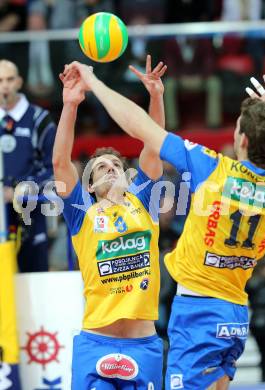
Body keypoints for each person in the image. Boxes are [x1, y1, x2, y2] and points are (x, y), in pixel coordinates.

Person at [61, 62, 265, 389]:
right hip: (235, 311)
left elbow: (139, 126)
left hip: (199, 312)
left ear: (243, 140)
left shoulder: (214, 169)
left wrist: (94, 81)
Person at [53, 56, 167, 389]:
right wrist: (71, 105)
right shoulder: (82, 213)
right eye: (102, 167)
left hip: (142, 345)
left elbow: (154, 144)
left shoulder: (143, 202)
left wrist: (156, 96)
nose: (111, 169)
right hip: (95, 343)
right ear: (89, 184)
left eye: (116, 164)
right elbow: (60, 163)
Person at [0, 59, 56, 272]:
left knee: (34, 278)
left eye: (9, 79)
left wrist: (18, 190)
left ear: (19, 82)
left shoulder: (39, 119)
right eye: (0, 80)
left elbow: (53, 170)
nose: (4, 85)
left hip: (31, 214)